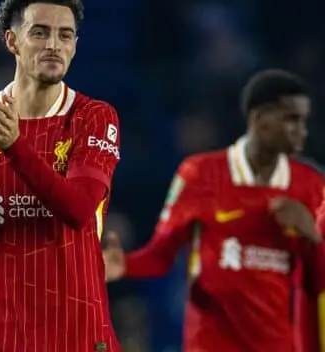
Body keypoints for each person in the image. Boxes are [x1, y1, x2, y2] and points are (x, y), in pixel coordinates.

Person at [0, 0, 122, 351]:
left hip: (78, 335)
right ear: (11, 41)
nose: (54, 45)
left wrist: (14, 145)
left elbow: (79, 209)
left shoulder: (94, 117)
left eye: (65, 35)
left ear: (75, 46)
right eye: (40, 32)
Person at [102, 69, 324, 352]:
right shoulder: (200, 174)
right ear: (260, 119)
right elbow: (162, 255)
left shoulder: (310, 186)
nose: (301, 131)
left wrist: (312, 236)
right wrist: (126, 265)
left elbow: (317, 286)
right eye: (291, 120)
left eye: (303, 120)